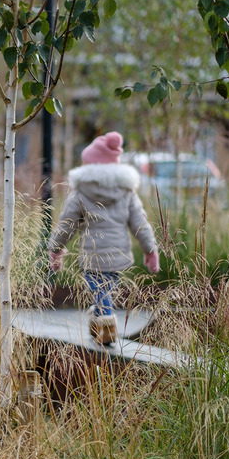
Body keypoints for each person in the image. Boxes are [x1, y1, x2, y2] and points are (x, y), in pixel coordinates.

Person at [47, 131, 160, 345]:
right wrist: (150, 250)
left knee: (99, 290)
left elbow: (66, 225)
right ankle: (98, 323)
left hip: (92, 254)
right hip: (117, 254)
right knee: (104, 290)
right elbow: (140, 223)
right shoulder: (127, 192)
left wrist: (55, 248)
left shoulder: (81, 192)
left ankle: (106, 325)